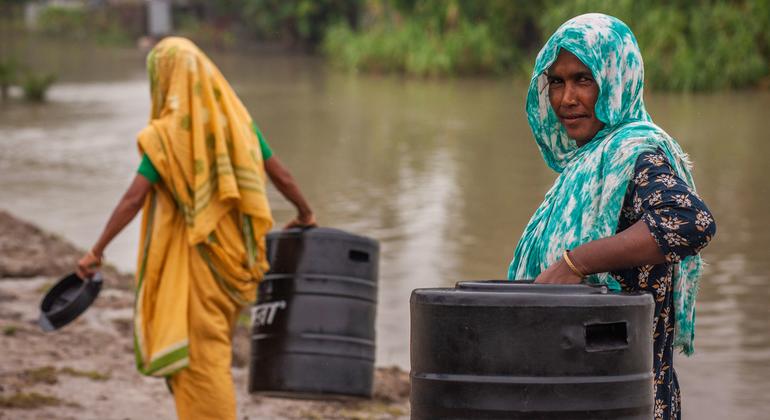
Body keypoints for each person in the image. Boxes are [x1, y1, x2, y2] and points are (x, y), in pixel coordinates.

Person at [76, 37, 316, 420]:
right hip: (235, 264)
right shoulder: (237, 125)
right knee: (213, 350)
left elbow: (132, 199)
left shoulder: (169, 137)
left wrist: (97, 251)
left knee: (202, 363)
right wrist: (305, 213)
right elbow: (281, 175)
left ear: (167, 79)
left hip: (198, 267)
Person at [508, 14, 716, 419]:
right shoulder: (587, 165)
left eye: (583, 79)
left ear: (618, 78)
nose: (566, 98)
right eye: (557, 81)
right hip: (589, 391)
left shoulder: (635, 154)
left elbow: (691, 220)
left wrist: (575, 263)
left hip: (624, 397)